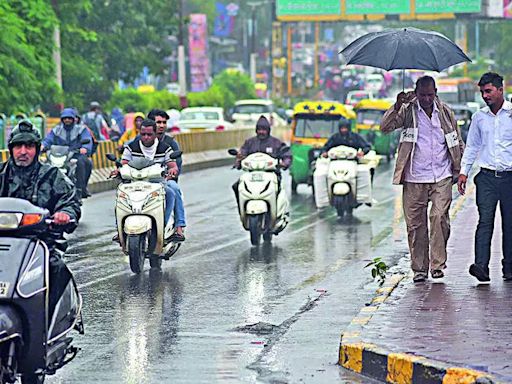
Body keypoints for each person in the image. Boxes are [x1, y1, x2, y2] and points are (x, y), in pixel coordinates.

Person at [381, 75, 464, 283]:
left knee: (439, 218)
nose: (426, 99)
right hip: (414, 176)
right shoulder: (408, 111)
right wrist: (397, 104)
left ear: (435, 92)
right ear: (416, 94)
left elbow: (457, 140)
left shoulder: (445, 112)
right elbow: (385, 127)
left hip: (442, 175)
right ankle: (419, 269)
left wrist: (460, 169)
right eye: (422, 95)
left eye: (429, 94)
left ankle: (437, 265)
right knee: (416, 226)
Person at [0, 120, 81, 316]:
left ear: (37, 150)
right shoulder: (1, 173)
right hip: (2, 240)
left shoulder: (52, 175)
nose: (23, 151)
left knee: (56, 268)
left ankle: (47, 321)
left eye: (29, 146)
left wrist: (65, 214)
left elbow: (70, 201)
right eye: (18, 146)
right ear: (11, 149)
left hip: (40, 243)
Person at [458, 72, 512, 282]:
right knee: (485, 221)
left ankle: (509, 267)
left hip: (509, 178)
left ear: (501, 89)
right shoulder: (479, 117)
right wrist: (464, 172)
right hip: (487, 177)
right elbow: (472, 146)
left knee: (509, 223)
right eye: (482, 92)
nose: (485, 96)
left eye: (488, 91)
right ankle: (481, 266)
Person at [117, 119, 186, 241]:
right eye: (143, 134)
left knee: (170, 192)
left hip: (157, 183)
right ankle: (119, 229)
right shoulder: (131, 147)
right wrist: (118, 170)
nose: (146, 137)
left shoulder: (164, 148)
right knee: (120, 195)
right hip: (135, 183)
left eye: (149, 134)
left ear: (155, 134)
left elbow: (172, 165)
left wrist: (173, 170)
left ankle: (162, 225)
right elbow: (124, 163)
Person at [232, 116, 291, 200]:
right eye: (259, 129)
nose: (261, 132)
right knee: (236, 186)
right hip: (251, 175)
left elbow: (286, 153)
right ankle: (242, 209)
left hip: (272, 174)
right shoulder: (250, 142)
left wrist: (285, 163)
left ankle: (277, 209)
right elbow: (242, 152)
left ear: (268, 131)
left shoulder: (276, 143)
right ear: (256, 130)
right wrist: (238, 160)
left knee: (277, 188)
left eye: (264, 130)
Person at [42, 108, 94, 199]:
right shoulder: (56, 130)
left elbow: (88, 141)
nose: (67, 120)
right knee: (45, 165)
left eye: (69, 118)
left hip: (75, 155)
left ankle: (81, 189)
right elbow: (48, 140)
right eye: (65, 118)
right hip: (59, 155)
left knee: (83, 163)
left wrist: (85, 148)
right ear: (62, 119)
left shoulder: (81, 129)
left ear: (74, 119)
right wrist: (43, 146)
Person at [147, 109, 182, 173]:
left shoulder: (172, 143)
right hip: (142, 178)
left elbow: (177, 166)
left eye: (164, 122)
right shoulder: (139, 140)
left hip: (165, 179)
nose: (162, 125)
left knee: (172, 183)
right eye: (158, 122)